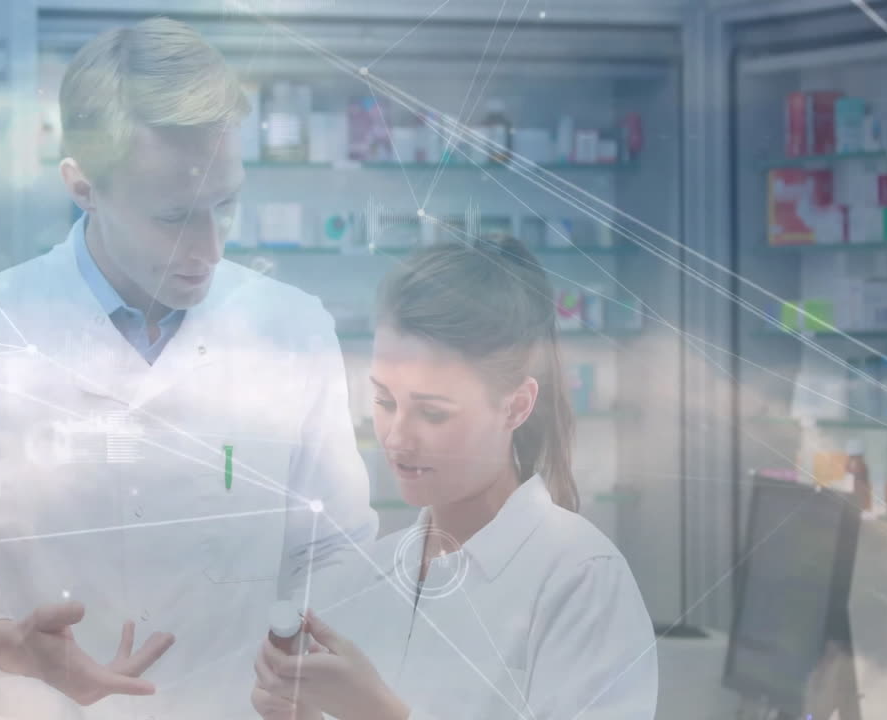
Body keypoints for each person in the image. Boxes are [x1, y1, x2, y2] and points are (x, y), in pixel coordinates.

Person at [0, 17, 376, 720]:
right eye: (175, 215)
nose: (212, 248)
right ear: (83, 185)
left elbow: (339, 558)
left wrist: (313, 661)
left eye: (227, 203)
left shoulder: (293, 329)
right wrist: (1, 644)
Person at [251, 236, 658, 719]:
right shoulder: (365, 577)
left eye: (433, 412)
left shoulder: (579, 579)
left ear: (516, 406)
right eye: (384, 402)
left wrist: (379, 714)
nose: (398, 439)